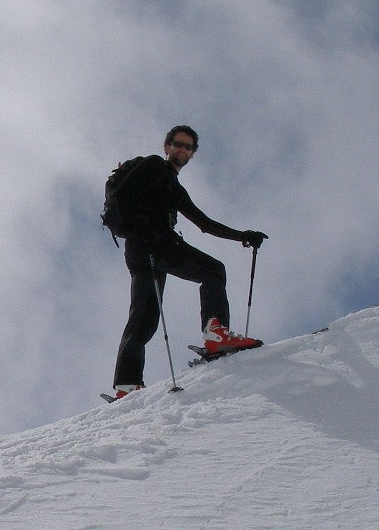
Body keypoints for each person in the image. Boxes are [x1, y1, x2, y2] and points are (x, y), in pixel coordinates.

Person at [111, 125, 267, 397]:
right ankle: (217, 334)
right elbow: (122, 196)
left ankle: (127, 384)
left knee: (144, 316)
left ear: (193, 154)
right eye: (178, 144)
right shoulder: (154, 165)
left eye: (188, 147)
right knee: (213, 271)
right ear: (167, 146)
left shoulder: (174, 188)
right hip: (153, 242)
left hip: (137, 249)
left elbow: (203, 223)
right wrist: (140, 228)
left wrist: (242, 236)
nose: (183, 150)